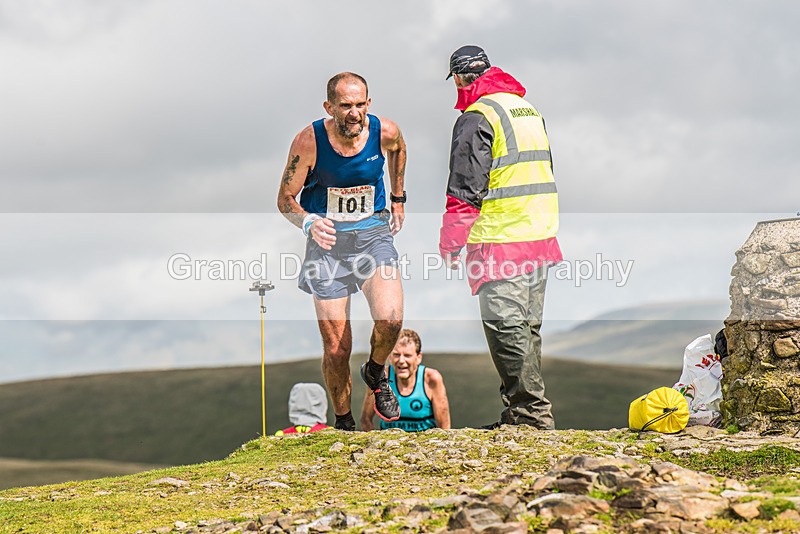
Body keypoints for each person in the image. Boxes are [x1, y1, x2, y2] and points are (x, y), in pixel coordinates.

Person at [438, 46, 562, 430]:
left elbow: (465, 191)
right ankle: (522, 413)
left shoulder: (478, 117)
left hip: (501, 237)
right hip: (539, 233)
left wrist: (451, 241)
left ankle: (530, 414)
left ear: (459, 79)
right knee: (526, 328)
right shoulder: (527, 110)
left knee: (504, 327)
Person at [277, 72, 407, 431]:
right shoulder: (308, 142)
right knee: (337, 349)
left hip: (372, 235)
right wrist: (308, 222)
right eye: (346, 106)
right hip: (327, 245)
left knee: (391, 319)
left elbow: (398, 150)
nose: (354, 113)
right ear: (329, 107)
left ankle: (376, 371)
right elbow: (285, 199)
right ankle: (345, 421)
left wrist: (398, 198)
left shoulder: (385, 131)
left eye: (361, 104)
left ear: (369, 103)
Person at [360, 329, 451, 432]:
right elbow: (365, 420)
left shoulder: (431, 379)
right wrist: (376, 440)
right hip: (390, 441)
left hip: (424, 441)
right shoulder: (380, 379)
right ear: (390, 357)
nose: (401, 361)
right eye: (396, 355)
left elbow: (444, 427)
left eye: (407, 355)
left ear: (418, 357)